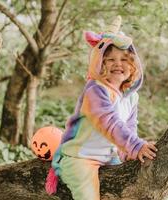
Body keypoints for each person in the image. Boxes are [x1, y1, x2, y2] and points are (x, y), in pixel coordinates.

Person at [46, 16, 157, 200]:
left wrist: (128, 151)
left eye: (124, 59)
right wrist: (136, 146)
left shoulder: (131, 96)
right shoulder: (96, 90)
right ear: (99, 63)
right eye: (110, 59)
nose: (117, 64)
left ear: (133, 66)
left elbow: (129, 126)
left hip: (107, 157)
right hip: (80, 158)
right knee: (88, 196)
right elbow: (109, 123)